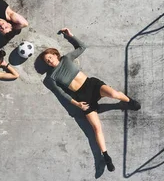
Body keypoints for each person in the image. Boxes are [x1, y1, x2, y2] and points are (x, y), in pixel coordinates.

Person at [40, 28, 141, 172]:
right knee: (96, 128)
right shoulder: (51, 78)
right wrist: (77, 104)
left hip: (91, 85)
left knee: (114, 94)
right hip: (81, 97)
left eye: (50, 57)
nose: (49, 61)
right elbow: (62, 94)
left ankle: (129, 102)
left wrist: (70, 36)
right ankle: (106, 157)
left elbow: (82, 47)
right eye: (46, 61)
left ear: (56, 55)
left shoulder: (67, 58)